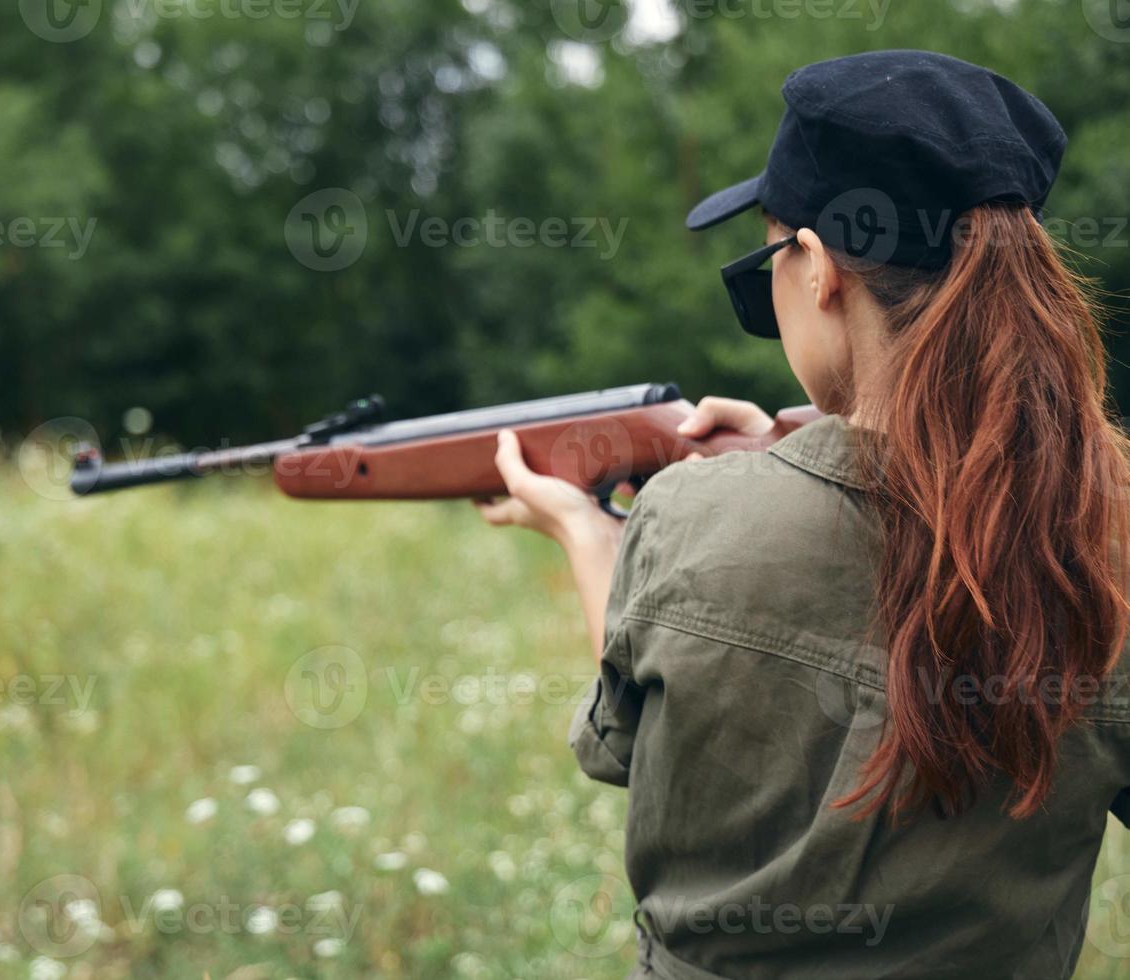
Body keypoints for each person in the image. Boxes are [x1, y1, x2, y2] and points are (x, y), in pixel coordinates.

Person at [477, 50, 1130, 979]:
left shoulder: (689, 516)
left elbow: (631, 743)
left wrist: (589, 533)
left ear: (818, 268)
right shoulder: (1104, 535)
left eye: (769, 254)